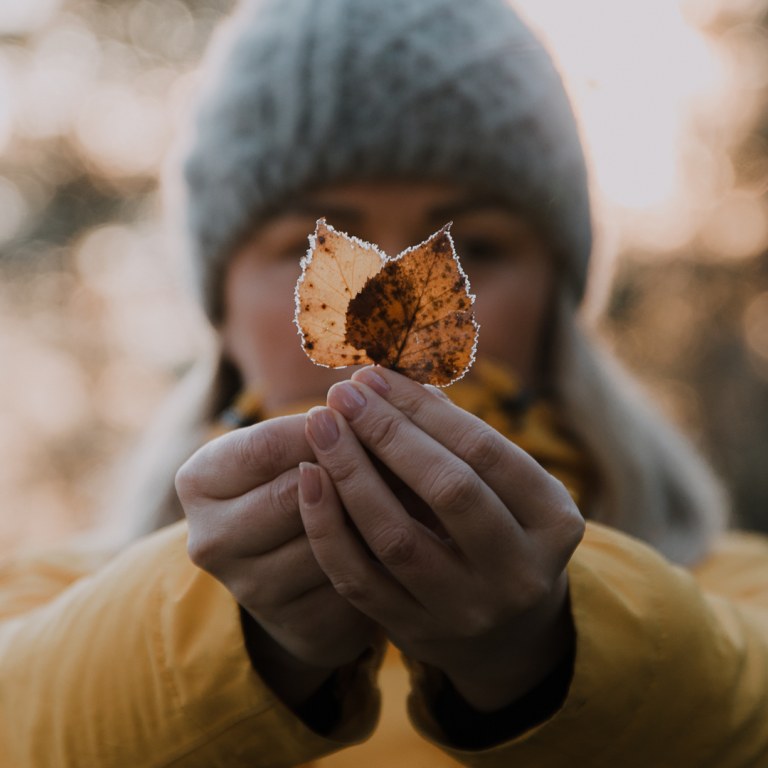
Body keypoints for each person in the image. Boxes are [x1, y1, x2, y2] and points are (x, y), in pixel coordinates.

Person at [2, 0, 768, 765]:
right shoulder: (42, 599)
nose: (393, 297)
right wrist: (237, 637)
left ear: (556, 311)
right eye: (320, 247)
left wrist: (558, 648)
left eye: (471, 248)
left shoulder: (733, 591)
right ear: (222, 316)